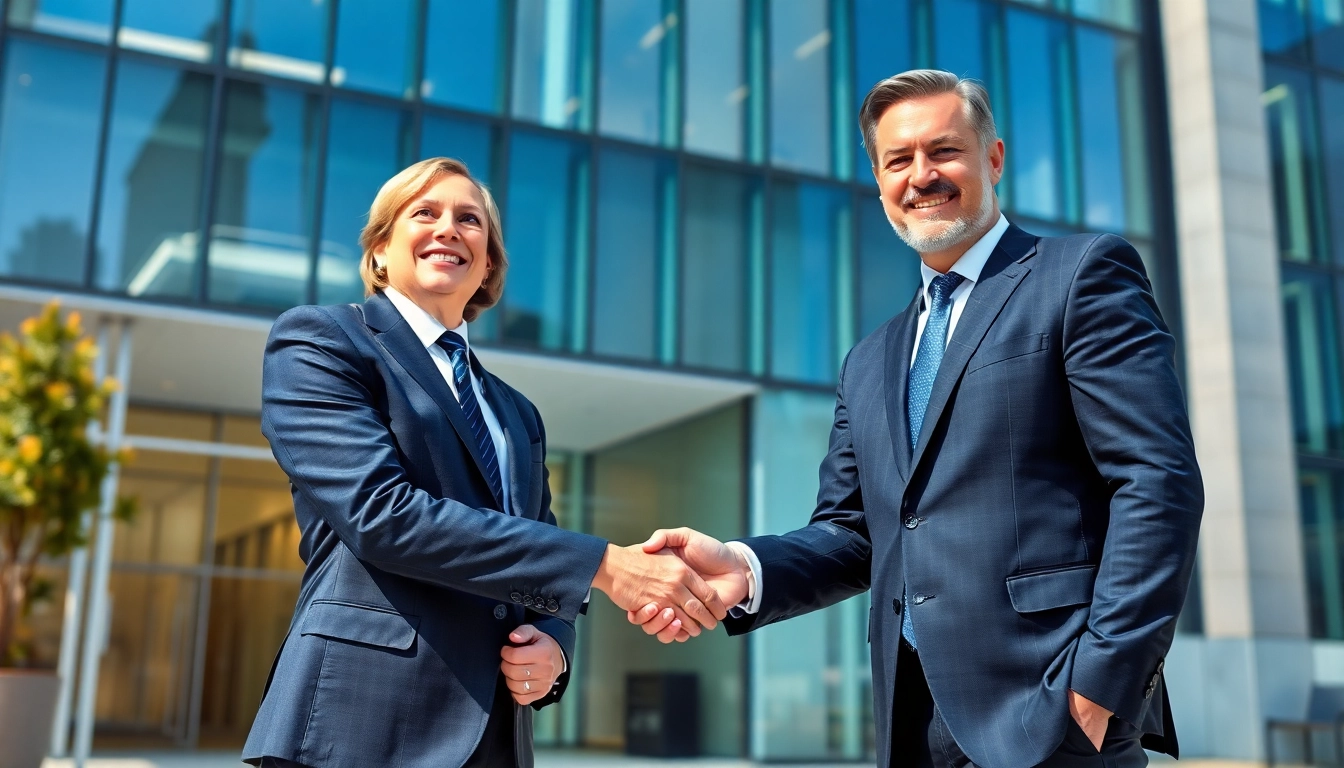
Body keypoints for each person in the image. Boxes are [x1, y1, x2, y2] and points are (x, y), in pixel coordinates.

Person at [631, 70, 1204, 768]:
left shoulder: (1081, 275)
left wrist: (1102, 683)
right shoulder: (869, 361)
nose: (922, 175)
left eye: (944, 151)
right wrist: (746, 569)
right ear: (878, 183)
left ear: (993, 158)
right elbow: (852, 534)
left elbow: (1156, 481)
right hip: (912, 726)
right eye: (898, 161)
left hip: (1055, 715)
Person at [242, 157, 734, 768]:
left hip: (496, 736)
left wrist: (553, 649)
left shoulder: (515, 412)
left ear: (489, 265)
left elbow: (539, 546)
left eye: (470, 220)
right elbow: (381, 516)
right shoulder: (321, 341)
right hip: (359, 724)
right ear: (380, 251)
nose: (449, 228)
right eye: (425, 212)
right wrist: (607, 565)